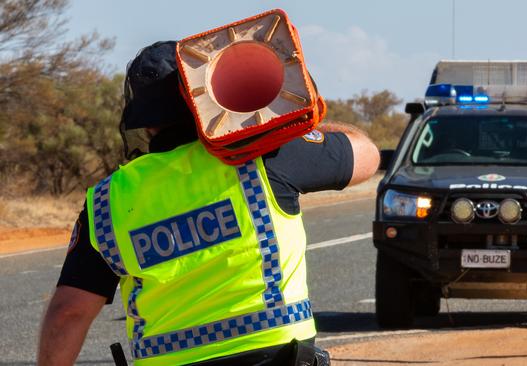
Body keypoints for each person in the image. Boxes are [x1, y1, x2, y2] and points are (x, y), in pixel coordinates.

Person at [37, 41, 379, 365]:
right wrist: (290, 126)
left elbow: (69, 311)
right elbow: (367, 155)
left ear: (147, 121)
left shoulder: (107, 199)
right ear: (207, 95)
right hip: (275, 357)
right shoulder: (260, 157)